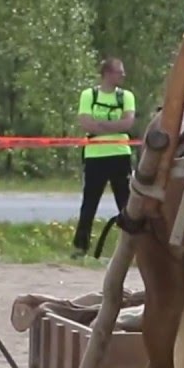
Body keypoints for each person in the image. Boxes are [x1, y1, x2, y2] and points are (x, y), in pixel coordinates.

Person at [72, 57, 135, 257]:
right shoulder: (89, 95)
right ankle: (81, 246)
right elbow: (85, 122)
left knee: (126, 203)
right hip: (95, 155)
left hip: (119, 154)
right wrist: (111, 127)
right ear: (107, 74)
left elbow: (127, 123)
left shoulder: (126, 96)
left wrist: (100, 126)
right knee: (90, 202)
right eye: (119, 72)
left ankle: (133, 247)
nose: (123, 75)